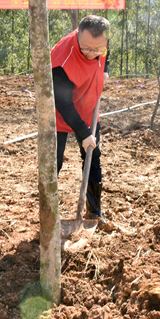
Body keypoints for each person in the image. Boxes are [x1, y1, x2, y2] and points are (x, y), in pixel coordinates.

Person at [51, 15, 110, 221]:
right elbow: (63, 103)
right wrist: (84, 134)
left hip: (89, 107)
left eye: (97, 49)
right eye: (86, 48)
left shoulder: (101, 43)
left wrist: (105, 69)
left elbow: (105, 52)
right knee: (53, 162)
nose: (92, 54)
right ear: (77, 35)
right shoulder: (61, 61)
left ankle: (94, 211)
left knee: (92, 157)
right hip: (60, 113)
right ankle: (49, 212)